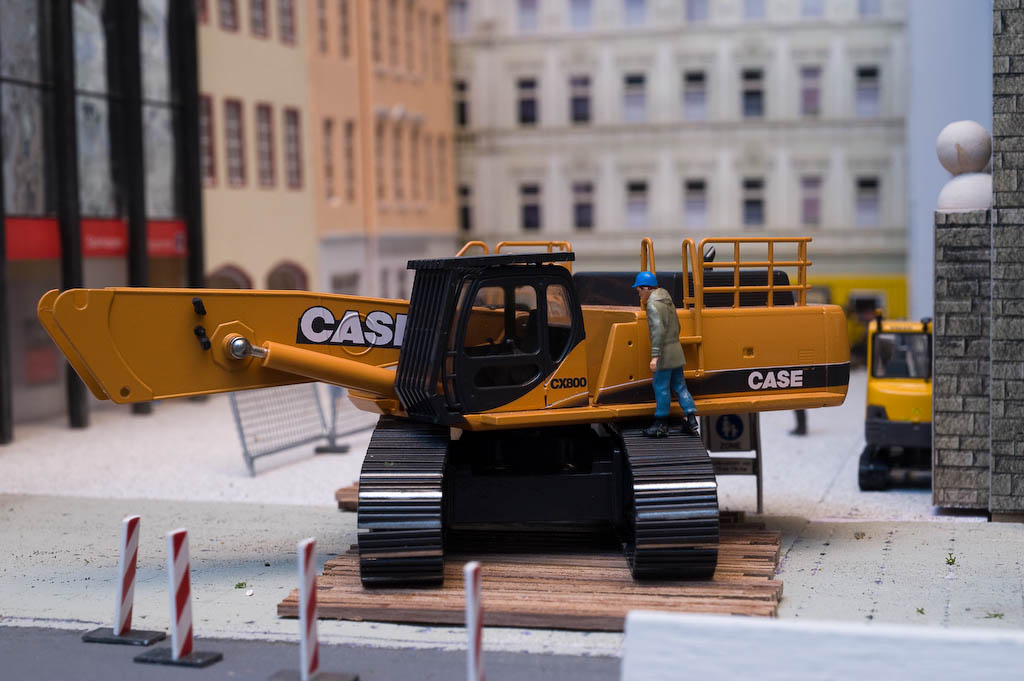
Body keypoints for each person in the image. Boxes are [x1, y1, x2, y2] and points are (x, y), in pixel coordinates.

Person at [633, 271, 699, 438]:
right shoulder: (667, 300)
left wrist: (655, 356)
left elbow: (658, 332)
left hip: (664, 354)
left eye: (639, 290)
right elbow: (677, 326)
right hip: (676, 350)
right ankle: (691, 419)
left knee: (661, 387)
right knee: (680, 386)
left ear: (646, 288)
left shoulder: (653, 305)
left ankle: (661, 424)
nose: (639, 294)